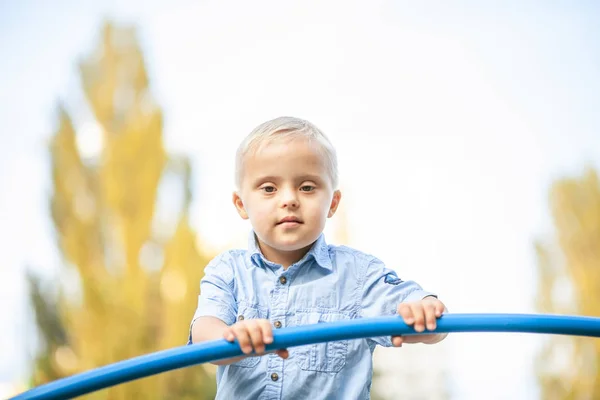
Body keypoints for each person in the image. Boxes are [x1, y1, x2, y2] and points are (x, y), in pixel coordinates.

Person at [188, 116, 448, 399]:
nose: (289, 199)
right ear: (241, 204)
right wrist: (230, 337)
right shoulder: (227, 270)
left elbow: (427, 319)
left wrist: (424, 312)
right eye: (269, 188)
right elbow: (204, 331)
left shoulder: (358, 275)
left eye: (307, 187)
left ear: (333, 203)